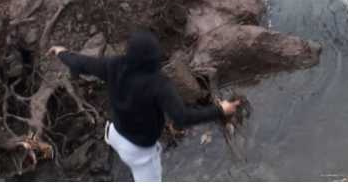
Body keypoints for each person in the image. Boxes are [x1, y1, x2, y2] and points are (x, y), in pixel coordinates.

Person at [48, 30, 239, 182]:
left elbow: (82, 63)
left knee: (114, 132)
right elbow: (181, 118)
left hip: (116, 133)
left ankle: (110, 137)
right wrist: (220, 110)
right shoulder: (157, 84)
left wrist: (61, 53)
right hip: (140, 152)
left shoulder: (113, 65)